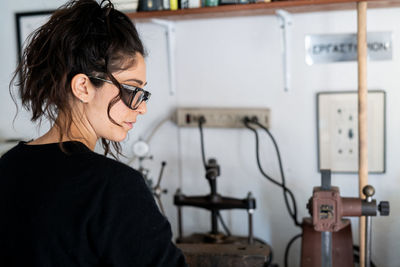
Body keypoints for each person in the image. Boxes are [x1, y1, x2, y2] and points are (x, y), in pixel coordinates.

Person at [0, 0, 187, 266]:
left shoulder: (8, 166)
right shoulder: (114, 188)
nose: (142, 107)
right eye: (132, 90)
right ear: (83, 87)